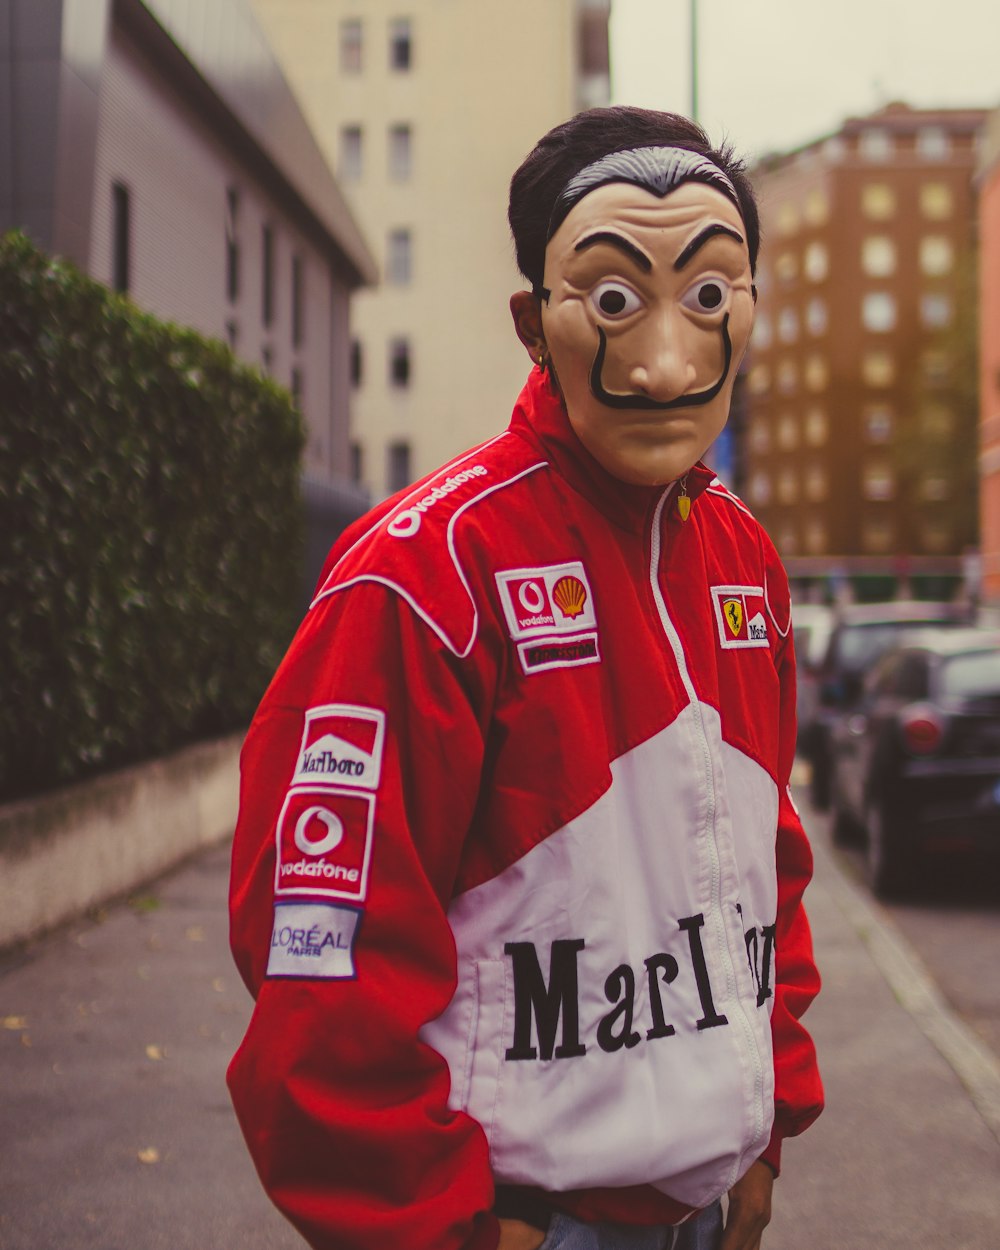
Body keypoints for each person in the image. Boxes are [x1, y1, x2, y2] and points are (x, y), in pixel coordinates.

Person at [228, 106, 824, 1250]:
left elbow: (767, 872)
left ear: (749, 307)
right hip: (519, 1221)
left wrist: (769, 1132)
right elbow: (321, 944)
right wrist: (435, 1228)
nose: (664, 359)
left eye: (709, 296)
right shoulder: (423, 573)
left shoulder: (744, 557)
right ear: (532, 324)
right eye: (609, 299)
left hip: (714, 1205)